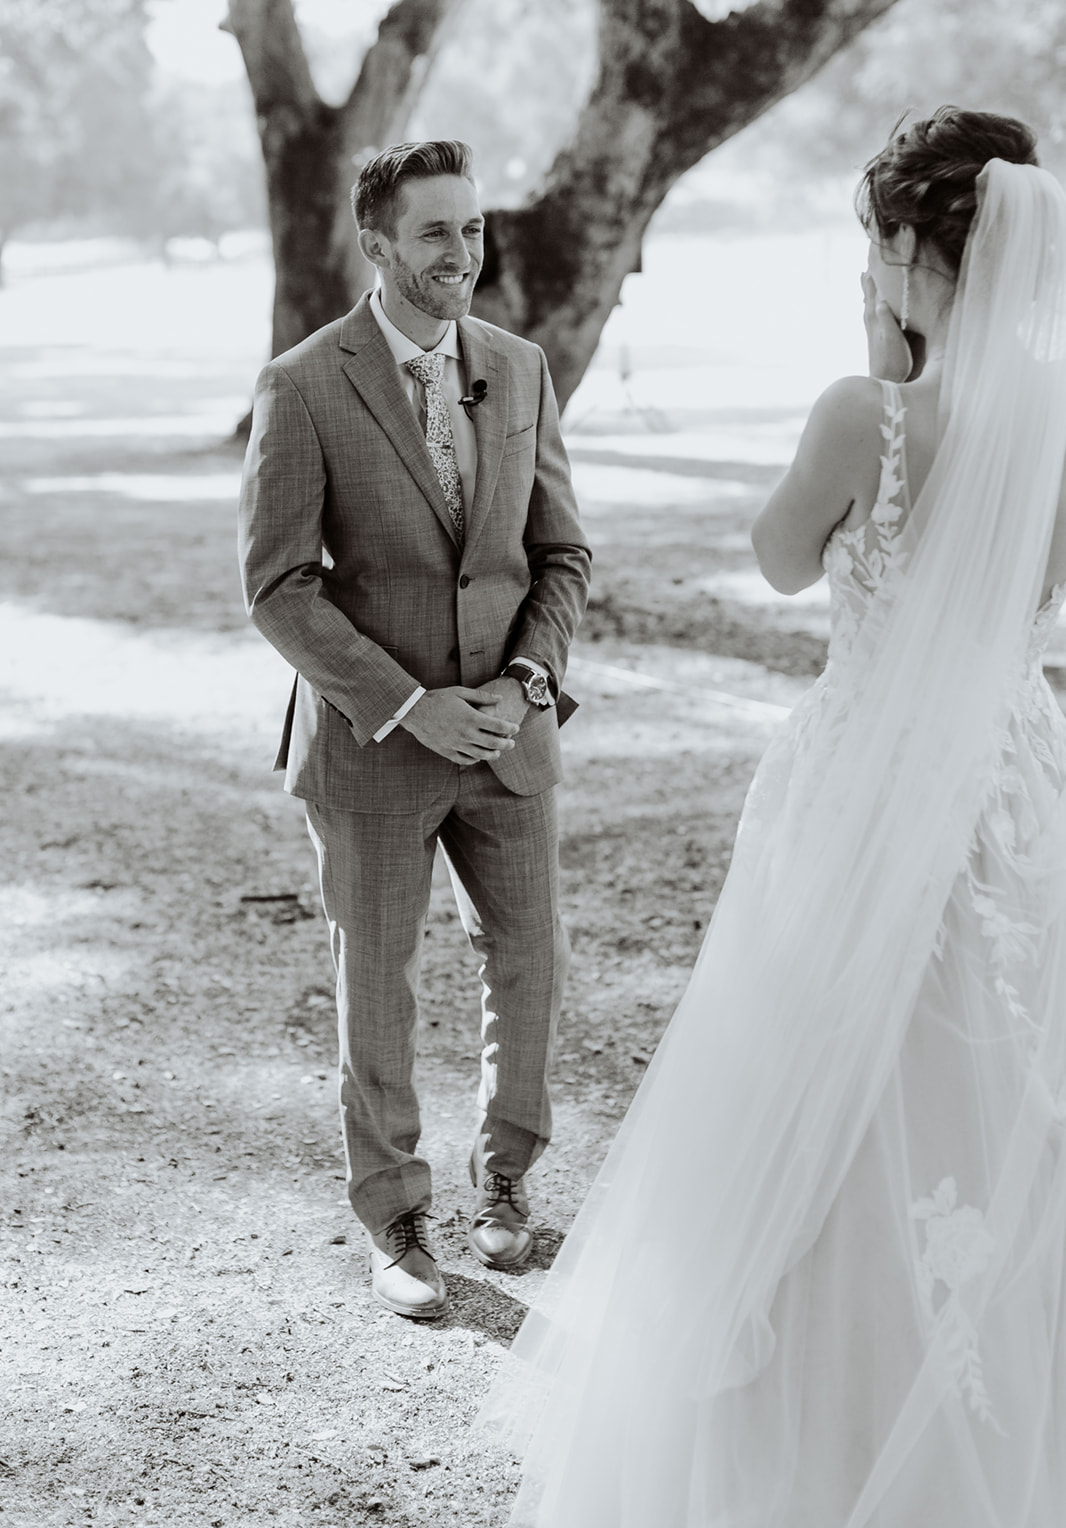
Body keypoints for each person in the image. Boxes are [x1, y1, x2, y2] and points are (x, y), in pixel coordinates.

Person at [479, 108, 1066, 1526]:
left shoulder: (864, 412)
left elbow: (781, 558)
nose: (862, 269)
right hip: (1011, 772)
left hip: (867, 776)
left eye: (871, 243)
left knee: (818, 1081)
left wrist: (877, 374)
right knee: (992, 1077)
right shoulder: (1055, 418)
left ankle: (805, 1431)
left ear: (911, 249)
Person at [238, 140, 591, 1321]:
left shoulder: (521, 365)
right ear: (377, 244)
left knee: (529, 965)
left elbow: (561, 554)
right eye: (436, 233)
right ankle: (394, 1216)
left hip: (507, 734)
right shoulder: (301, 383)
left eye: (474, 230)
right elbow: (278, 585)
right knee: (375, 982)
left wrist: (530, 677)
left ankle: (508, 1184)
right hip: (373, 743)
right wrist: (406, 702)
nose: (463, 255)